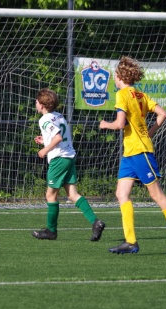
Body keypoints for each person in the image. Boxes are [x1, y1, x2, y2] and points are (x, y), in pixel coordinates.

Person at [99, 56, 166, 255]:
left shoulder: (122, 94)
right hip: (130, 153)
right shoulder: (140, 95)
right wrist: (148, 133)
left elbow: (120, 123)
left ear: (120, 76)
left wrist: (105, 124)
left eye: (115, 75)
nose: (114, 79)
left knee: (156, 194)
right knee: (121, 194)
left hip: (140, 151)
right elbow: (163, 114)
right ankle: (130, 241)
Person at [32, 88, 105, 241]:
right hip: (69, 157)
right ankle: (95, 222)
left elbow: (57, 138)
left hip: (58, 159)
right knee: (72, 195)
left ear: (42, 105)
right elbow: (61, 137)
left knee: (50, 195)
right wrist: (45, 140)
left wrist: (44, 149)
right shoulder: (58, 116)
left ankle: (51, 231)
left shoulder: (44, 119)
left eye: (37, 102)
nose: (36, 104)